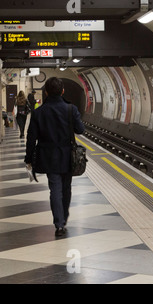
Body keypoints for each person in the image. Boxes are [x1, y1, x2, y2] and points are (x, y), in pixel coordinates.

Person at [25, 77, 85, 236]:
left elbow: (31, 138)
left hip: (48, 156)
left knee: (55, 189)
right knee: (66, 189)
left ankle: (59, 224)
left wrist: (28, 158)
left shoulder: (38, 112)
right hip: (67, 156)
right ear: (63, 91)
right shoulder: (71, 109)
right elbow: (80, 130)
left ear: (46, 92)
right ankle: (63, 218)